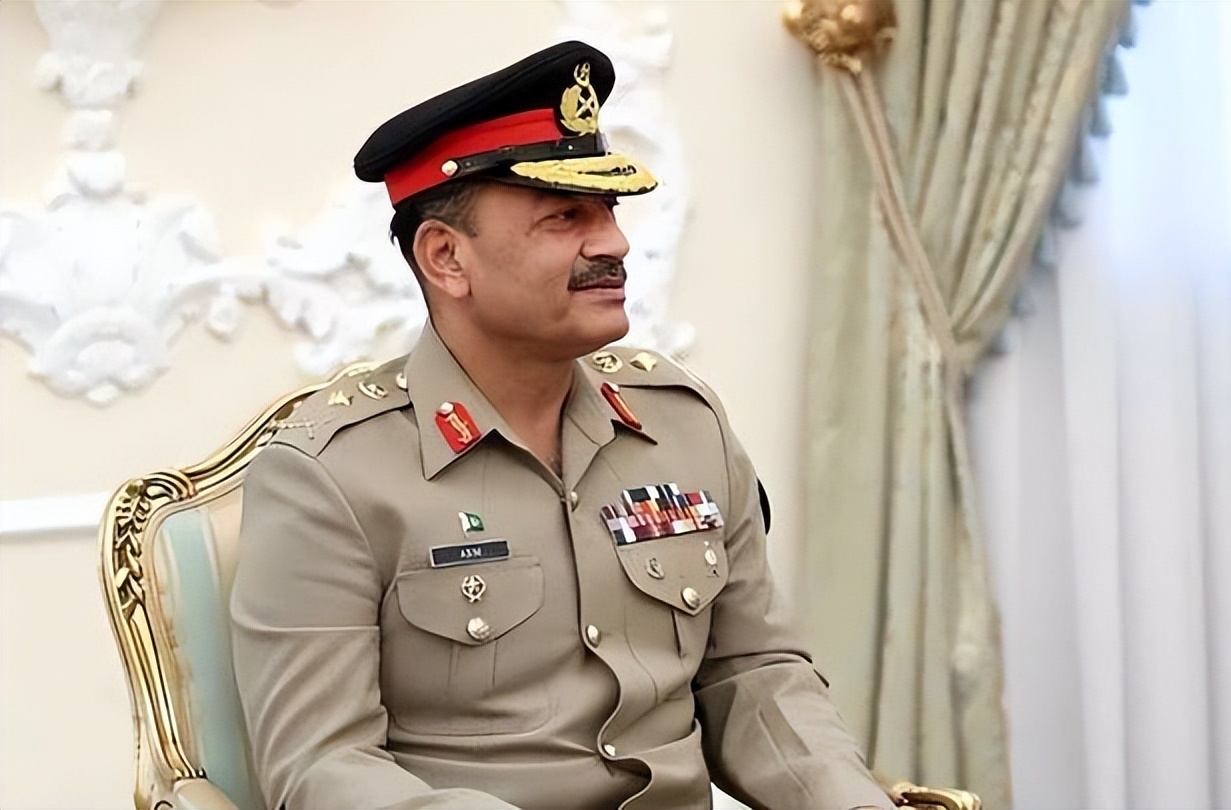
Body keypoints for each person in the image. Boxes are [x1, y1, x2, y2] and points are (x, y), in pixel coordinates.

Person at [230, 41, 893, 810]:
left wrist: (854, 802)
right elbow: (322, 766)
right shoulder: (331, 475)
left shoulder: (684, 424)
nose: (614, 243)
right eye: (564, 217)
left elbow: (754, 674)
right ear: (446, 258)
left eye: (610, 210)